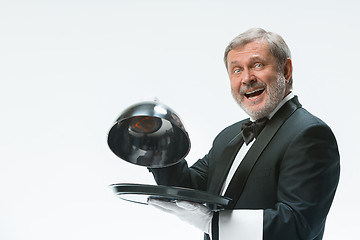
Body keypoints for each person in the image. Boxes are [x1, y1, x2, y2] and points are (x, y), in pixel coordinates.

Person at [147, 28, 340, 240]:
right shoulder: (228, 137)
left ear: (286, 70)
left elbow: (298, 224)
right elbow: (188, 189)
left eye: (257, 65)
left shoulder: (309, 134)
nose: (247, 78)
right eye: (236, 70)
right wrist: (160, 145)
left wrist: (212, 223)